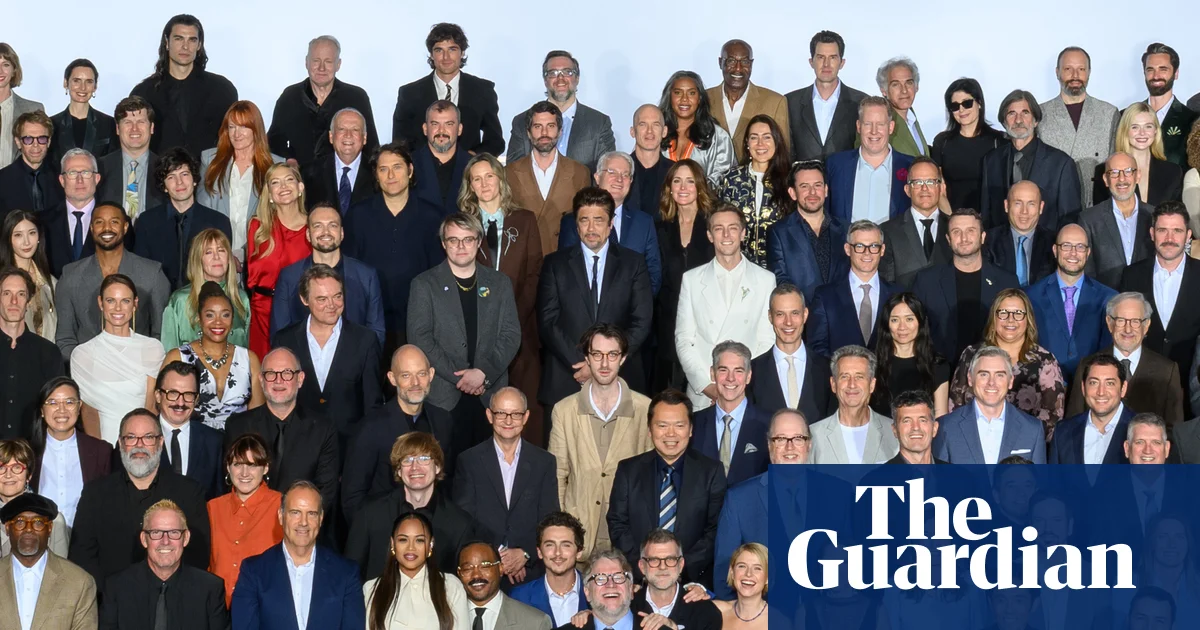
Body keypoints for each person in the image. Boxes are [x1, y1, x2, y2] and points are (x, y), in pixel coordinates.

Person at [408, 213, 519, 452]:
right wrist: (460, 377)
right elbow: (420, 337)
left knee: (488, 468)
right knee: (445, 468)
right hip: (444, 397)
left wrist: (483, 374)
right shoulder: (424, 284)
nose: (461, 246)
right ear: (443, 243)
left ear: (478, 242)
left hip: (489, 395)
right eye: (453, 240)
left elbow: (511, 335)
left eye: (468, 239)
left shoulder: (500, 283)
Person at [68, 408, 211, 589]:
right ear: (121, 443)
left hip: (174, 597)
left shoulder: (189, 492)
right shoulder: (95, 494)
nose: (139, 445)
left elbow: (198, 556)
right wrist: (111, 597)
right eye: (131, 437)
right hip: (109, 600)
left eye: (148, 437)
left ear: (160, 442)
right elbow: (81, 558)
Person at [457, 153, 546, 443]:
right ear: (470, 185)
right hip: (476, 334)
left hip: (522, 330)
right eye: (477, 179)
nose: (484, 184)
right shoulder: (462, 226)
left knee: (524, 406)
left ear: (500, 179)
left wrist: (511, 320)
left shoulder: (525, 220)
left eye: (489, 176)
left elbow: (534, 273)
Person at [538, 188, 653, 405]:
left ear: (611, 224)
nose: (591, 228)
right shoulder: (554, 264)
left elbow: (641, 321)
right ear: (577, 225)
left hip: (621, 378)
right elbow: (548, 321)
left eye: (598, 220)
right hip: (568, 376)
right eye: (584, 220)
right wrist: (585, 364)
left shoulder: (633, 264)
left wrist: (605, 362)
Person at [548, 324, 652, 556]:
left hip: (629, 539)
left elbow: (652, 476)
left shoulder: (645, 409)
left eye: (612, 355)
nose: (604, 364)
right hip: (579, 536)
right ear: (587, 358)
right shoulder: (564, 411)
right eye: (597, 355)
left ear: (623, 358)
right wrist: (564, 531)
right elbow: (557, 475)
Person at [608, 389, 726, 585]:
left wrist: (679, 570)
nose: (671, 433)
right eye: (662, 425)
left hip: (691, 583)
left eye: (679, 425)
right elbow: (617, 524)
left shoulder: (711, 472)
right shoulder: (628, 470)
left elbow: (715, 530)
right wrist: (644, 568)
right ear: (649, 429)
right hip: (638, 582)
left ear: (690, 429)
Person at [452, 387, 558, 586]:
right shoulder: (469, 461)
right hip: (483, 569)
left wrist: (524, 553)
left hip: (531, 572)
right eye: (501, 413)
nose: (508, 421)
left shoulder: (544, 462)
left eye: (515, 414)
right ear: (489, 415)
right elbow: (464, 518)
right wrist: (499, 554)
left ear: (526, 417)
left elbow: (549, 518)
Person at [342, 143, 444, 350]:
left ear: (410, 170)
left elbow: (439, 273)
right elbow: (349, 271)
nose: (391, 175)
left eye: (397, 167)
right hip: (369, 320)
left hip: (419, 319)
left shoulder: (433, 216)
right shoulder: (357, 215)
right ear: (376, 175)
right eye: (383, 169)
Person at [675, 205, 775, 410]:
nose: (726, 235)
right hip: (704, 393)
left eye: (733, 228)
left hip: (747, 390)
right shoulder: (692, 280)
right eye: (719, 229)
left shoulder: (765, 280)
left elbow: (767, 340)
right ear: (710, 236)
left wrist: (740, 384)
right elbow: (684, 339)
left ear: (743, 233)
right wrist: (708, 386)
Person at [231, 480, 364, 630]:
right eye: (295, 512)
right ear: (281, 516)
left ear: (321, 519)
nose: (303, 522)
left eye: (311, 514)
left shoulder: (346, 573)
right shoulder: (253, 572)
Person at [340, 345, 455, 518]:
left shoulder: (443, 421)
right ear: (392, 379)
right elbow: (353, 498)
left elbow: (447, 484)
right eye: (406, 375)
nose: (415, 383)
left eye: (421, 374)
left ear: (431, 374)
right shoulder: (369, 428)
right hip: (385, 526)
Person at [346, 432, 479, 580]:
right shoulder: (369, 513)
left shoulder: (460, 524)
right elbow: (349, 575)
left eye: (424, 459)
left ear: (437, 467)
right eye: (407, 460)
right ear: (399, 470)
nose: (415, 467)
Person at [275, 264, 381, 450]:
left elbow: (372, 404)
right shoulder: (285, 340)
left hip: (350, 448)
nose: (332, 305)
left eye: (337, 296)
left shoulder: (365, 340)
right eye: (322, 299)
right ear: (304, 299)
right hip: (298, 446)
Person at [223, 349, 338, 515]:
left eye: (287, 373)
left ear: (300, 379)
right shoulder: (238, 426)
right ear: (261, 380)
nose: (278, 381)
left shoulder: (323, 429)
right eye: (271, 374)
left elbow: (325, 492)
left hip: (302, 524)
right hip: (249, 521)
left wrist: (295, 521)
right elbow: (230, 485)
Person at [713, 410, 811, 600]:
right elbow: (724, 572)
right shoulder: (739, 499)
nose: (789, 447)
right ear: (769, 445)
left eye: (798, 438)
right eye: (780, 439)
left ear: (809, 444)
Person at [54, 202, 171, 360]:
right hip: (87, 369)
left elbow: (161, 335)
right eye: (99, 222)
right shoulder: (70, 275)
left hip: (139, 367)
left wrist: (144, 364)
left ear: (125, 227)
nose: (106, 228)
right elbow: (65, 339)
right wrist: (88, 364)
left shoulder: (152, 273)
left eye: (114, 222)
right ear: (91, 228)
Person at [948, 288, 1066, 437]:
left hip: (1025, 444)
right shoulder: (971, 355)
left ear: (1028, 319)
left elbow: (1053, 416)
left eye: (1018, 313)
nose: (1011, 320)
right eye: (1003, 313)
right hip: (973, 440)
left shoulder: (1045, 361)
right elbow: (956, 405)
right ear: (994, 318)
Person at [911, 208, 1020, 366]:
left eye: (970, 231)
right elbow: (915, 331)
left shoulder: (1006, 281)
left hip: (992, 372)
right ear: (948, 239)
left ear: (982, 237)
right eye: (956, 232)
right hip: (940, 372)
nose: (964, 238)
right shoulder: (927, 281)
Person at [99, 499, 228, 630]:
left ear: (186, 538)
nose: (165, 541)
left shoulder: (210, 589)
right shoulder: (116, 588)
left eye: (174, 532)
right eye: (156, 532)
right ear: (144, 539)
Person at [1119, 202, 1200, 406]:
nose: (1169, 238)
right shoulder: (1132, 275)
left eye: (1177, 231)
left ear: (1188, 235)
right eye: (1163, 230)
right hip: (1141, 387)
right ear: (1152, 233)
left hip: (1191, 391)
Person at [70, 275, 166, 443]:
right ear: (100, 303)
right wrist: (99, 452)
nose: (118, 308)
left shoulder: (152, 348)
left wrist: (142, 443)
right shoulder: (83, 354)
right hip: (103, 444)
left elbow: (151, 406)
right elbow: (89, 412)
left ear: (135, 304)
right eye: (111, 301)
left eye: (125, 301)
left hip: (142, 442)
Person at [271, 203, 384, 345]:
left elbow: (376, 333)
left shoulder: (366, 276)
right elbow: (279, 337)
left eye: (333, 225)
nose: (326, 232)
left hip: (356, 357)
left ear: (342, 233)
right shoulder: (289, 277)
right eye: (318, 226)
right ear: (308, 234)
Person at [1065, 293, 1183, 426]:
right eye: (1121, 320)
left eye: (1135, 321)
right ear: (1109, 323)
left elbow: (1175, 429)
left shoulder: (1167, 371)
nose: (1128, 329)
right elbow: (1073, 425)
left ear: (1146, 325)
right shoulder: (1086, 365)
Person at [129, 14, 238, 158]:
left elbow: (234, 138)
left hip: (210, 171)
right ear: (167, 42)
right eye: (178, 38)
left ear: (199, 45)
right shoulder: (144, 93)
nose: (185, 46)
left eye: (192, 40)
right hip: (160, 170)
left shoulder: (222, 90)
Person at [557, 151, 663, 294]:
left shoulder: (643, 223)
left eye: (625, 175)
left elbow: (653, 275)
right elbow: (565, 273)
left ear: (631, 182)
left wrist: (637, 305)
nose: (619, 179)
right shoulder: (572, 221)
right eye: (612, 172)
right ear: (597, 177)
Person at [268, 35, 380, 171]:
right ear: (306, 63)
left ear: (338, 64)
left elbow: (371, 146)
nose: (321, 68)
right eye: (316, 61)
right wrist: (289, 159)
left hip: (344, 180)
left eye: (328, 61)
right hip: (301, 179)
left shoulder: (357, 97)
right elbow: (273, 141)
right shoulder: (290, 97)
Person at [391, 23, 504, 157]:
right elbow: (399, 144)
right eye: (439, 50)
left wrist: (471, 158)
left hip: (468, 168)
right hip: (422, 168)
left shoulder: (483, 90)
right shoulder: (409, 94)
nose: (446, 57)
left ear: (462, 52)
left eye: (452, 49)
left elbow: (495, 141)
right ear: (431, 54)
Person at [978, 89, 1083, 231]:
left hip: (1046, 244)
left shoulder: (1061, 164)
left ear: (1036, 120)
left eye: (1025, 113)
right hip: (1001, 244)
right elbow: (987, 214)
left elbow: (1069, 219)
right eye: (1011, 113)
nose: (1018, 120)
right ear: (1003, 122)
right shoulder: (991, 161)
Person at [198, 101, 286, 264]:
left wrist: (244, 253)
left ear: (256, 129)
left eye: (243, 127)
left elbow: (277, 218)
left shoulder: (275, 165)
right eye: (232, 127)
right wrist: (221, 252)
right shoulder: (210, 160)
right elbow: (202, 211)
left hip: (258, 256)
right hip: (215, 256)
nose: (237, 134)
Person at [654, 159, 715, 392]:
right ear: (669, 187)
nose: (683, 187)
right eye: (677, 181)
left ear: (699, 186)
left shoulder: (713, 224)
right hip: (668, 326)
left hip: (707, 323)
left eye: (690, 181)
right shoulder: (659, 227)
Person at [1027, 224, 1117, 380]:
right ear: (1055, 250)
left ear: (1088, 252)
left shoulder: (1108, 298)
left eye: (1080, 247)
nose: (1073, 253)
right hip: (1042, 385)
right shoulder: (1031, 296)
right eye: (1066, 246)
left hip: (1090, 385)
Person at [134, 147, 232, 289]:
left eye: (184, 174)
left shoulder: (218, 222)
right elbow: (141, 270)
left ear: (194, 180)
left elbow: (223, 274)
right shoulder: (147, 222)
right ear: (164, 186)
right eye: (171, 177)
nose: (179, 182)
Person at [506, 101, 593, 256]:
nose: (544, 133)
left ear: (560, 131)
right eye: (537, 126)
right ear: (528, 132)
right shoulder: (509, 173)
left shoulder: (580, 173)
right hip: (523, 260)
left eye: (550, 126)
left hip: (564, 259)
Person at [933, 346, 1047, 464]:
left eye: (999, 375)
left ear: (1010, 381)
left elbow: (1039, 475)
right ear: (970, 378)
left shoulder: (1032, 429)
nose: (991, 382)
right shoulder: (946, 427)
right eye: (984, 374)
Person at [1038, 47, 1119, 209]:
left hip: (1098, 206)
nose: (1075, 76)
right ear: (1057, 72)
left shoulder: (1109, 113)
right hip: (1053, 205)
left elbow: (1116, 167)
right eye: (1068, 69)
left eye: (1081, 69)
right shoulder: (1040, 114)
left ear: (1089, 72)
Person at [508, 51, 615, 173]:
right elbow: (513, 172)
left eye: (567, 72)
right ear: (545, 80)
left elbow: (606, 172)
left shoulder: (599, 123)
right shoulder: (521, 121)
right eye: (553, 73)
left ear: (577, 78)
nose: (560, 79)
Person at [206, 433, 282, 606]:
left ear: (266, 468)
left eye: (252, 465)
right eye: (238, 464)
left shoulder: (281, 506)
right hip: (218, 607)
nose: (244, 473)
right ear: (228, 467)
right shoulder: (213, 508)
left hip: (263, 607)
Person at [362, 510, 471, 630]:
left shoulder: (451, 586)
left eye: (419, 540)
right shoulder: (372, 589)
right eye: (403, 540)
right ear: (392, 544)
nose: (411, 547)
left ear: (431, 544)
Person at [0, 493, 97, 628]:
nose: (29, 529)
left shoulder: (79, 582)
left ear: (50, 528)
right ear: (7, 528)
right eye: (20, 522)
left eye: (38, 522)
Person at [245, 163, 311, 358]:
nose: (283, 186)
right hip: (262, 312)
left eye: (289, 180)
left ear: (300, 187)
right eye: (275, 182)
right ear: (270, 194)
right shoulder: (257, 227)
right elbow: (252, 277)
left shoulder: (313, 228)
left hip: (299, 311)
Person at [28, 376, 113, 527]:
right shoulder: (27, 452)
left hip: (86, 536)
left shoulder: (101, 451)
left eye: (69, 402)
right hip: (39, 535)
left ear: (79, 407)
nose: (61, 410)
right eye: (52, 403)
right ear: (42, 410)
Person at [807, 220, 898, 357]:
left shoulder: (898, 295)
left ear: (882, 250)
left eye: (874, 246)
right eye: (859, 246)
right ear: (848, 249)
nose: (867, 253)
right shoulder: (825, 297)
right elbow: (816, 349)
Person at [747, 285, 836, 421]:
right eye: (780, 314)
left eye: (795, 313)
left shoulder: (828, 369)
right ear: (770, 317)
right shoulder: (752, 372)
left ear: (805, 315)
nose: (788, 322)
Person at [766, 160, 849, 300]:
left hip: (840, 310)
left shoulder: (846, 229)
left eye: (818, 185)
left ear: (826, 190)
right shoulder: (778, 232)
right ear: (793, 193)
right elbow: (780, 280)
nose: (812, 192)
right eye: (804, 186)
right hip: (802, 311)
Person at [690, 342, 770, 487]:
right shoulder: (693, 423)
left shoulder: (769, 425)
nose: (730, 378)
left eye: (738, 371)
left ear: (748, 376)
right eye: (723, 370)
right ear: (712, 373)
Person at [825, 96, 915, 224]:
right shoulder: (835, 165)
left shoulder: (910, 167)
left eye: (880, 124)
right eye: (868, 124)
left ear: (891, 127)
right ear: (858, 126)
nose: (874, 131)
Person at [716, 114, 791, 267]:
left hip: (779, 267)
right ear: (747, 143)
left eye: (767, 137)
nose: (760, 143)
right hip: (737, 266)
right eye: (754, 137)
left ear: (777, 142)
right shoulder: (730, 179)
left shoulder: (789, 180)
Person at [160, 228, 250, 349]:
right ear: (198, 259)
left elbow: (246, 350)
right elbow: (169, 349)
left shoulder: (241, 298)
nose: (216, 257)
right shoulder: (180, 300)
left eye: (221, 250)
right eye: (208, 252)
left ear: (229, 258)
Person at [785, 31, 867, 162]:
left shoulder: (861, 102)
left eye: (833, 57)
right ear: (811, 62)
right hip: (800, 175)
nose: (826, 64)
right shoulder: (790, 103)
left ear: (842, 63)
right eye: (820, 57)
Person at [0, 268, 63, 440]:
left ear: (28, 302)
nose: (14, 301)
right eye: (6, 293)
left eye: (21, 294)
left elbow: (56, 409)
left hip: (32, 450)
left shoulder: (49, 353)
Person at [810, 345, 900, 464]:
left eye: (859, 377)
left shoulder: (895, 432)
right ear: (833, 384)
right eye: (844, 376)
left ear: (872, 385)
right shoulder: (813, 435)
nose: (852, 384)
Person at [1079, 152, 1156, 289]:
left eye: (1128, 171)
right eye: (1114, 172)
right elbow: (1087, 273)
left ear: (1137, 176)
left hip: (1147, 298)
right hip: (1106, 299)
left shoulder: (1155, 216)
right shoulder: (1089, 220)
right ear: (1105, 179)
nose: (1121, 178)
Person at [707, 40, 789, 165]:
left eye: (745, 62)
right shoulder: (703, 99)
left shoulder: (775, 102)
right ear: (720, 63)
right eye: (731, 61)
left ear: (751, 64)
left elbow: (783, 155)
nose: (738, 68)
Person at [870, 293, 950, 418]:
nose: (902, 327)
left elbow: (941, 417)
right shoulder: (871, 363)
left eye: (909, 319)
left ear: (920, 322)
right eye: (895, 320)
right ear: (887, 324)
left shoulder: (937, 365)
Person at [930, 78, 1004, 212]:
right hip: (951, 218)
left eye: (967, 103)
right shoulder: (942, 142)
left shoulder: (999, 141)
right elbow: (938, 189)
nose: (961, 110)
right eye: (955, 106)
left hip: (991, 220)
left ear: (979, 103)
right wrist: (953, 220)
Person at [878, 157, 953, 289]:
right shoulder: (887, 231)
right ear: (907, 190)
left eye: (930, 182)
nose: (924, 188)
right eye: (917, 182)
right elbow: (886, 286)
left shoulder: (955, 228)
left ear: (941, 188)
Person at [153, 361, 225, 498]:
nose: (180, 403)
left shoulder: (215, 442)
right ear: (158, 395)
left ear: (196, 399)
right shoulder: (138, 439)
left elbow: (220, 498)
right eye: (173, 393)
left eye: (188, 395)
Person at [1049, 354, 1135, 465]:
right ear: (1083, 388)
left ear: (1123, 389)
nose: (1101, 392)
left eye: (1109, 383)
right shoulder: (1063, 431)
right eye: (1094, 383)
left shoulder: (1143, 431)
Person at [1092, 103, 1184, 207]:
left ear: (1155, 131)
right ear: (1125, 130)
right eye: (1135, 127)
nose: (1142, 133)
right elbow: (1099, 213)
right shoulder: (1104, 170)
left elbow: (1177, 213)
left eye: (1148, 126)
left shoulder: (1173, 172)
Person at [631, 529, 723, 630]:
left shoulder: (706, 612)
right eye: (654, 560)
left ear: (681, 565)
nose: (662, 567)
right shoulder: (628, 607)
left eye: (670, 559)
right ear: (642, 566)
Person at [508, 512, 589, 625]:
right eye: (550, 545)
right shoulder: (520, 597)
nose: (557, 553)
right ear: (539, 552)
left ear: (579, 552)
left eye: (566, 545)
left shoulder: (597, 592)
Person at [659, 71, 736, 186]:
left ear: (699, 98)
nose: (684, 99)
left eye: (691, 93)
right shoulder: (656, 133)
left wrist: (693, 191)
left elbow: (723, 179)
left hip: (704, 197)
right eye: (678, 92)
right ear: (669, 97)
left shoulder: (718, 137)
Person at [457, 541, 554, 629]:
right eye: (467, 568)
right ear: (459, 573)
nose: (476, 575)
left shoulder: (535, 623)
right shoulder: (449, 619)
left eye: (485, 566)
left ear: (500, 568)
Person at [96, 97, 164, 222]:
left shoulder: (166, 169)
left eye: (141, 122)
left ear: (152, 128)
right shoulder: (99, 168)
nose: (134, 128)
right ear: (117, 129)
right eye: (127, 122)